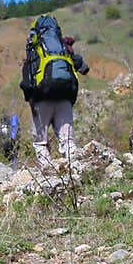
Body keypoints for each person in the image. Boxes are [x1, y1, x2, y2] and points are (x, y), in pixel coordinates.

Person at [27, 35, 89, 169]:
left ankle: (47, 172)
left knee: (40, 142)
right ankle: (76, 171)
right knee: (67, 140)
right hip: (64, 97)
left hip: (42, 100)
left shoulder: (35, 53)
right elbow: (82, 66)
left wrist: (32, 101)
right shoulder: (63, 50)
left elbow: (27, 83)